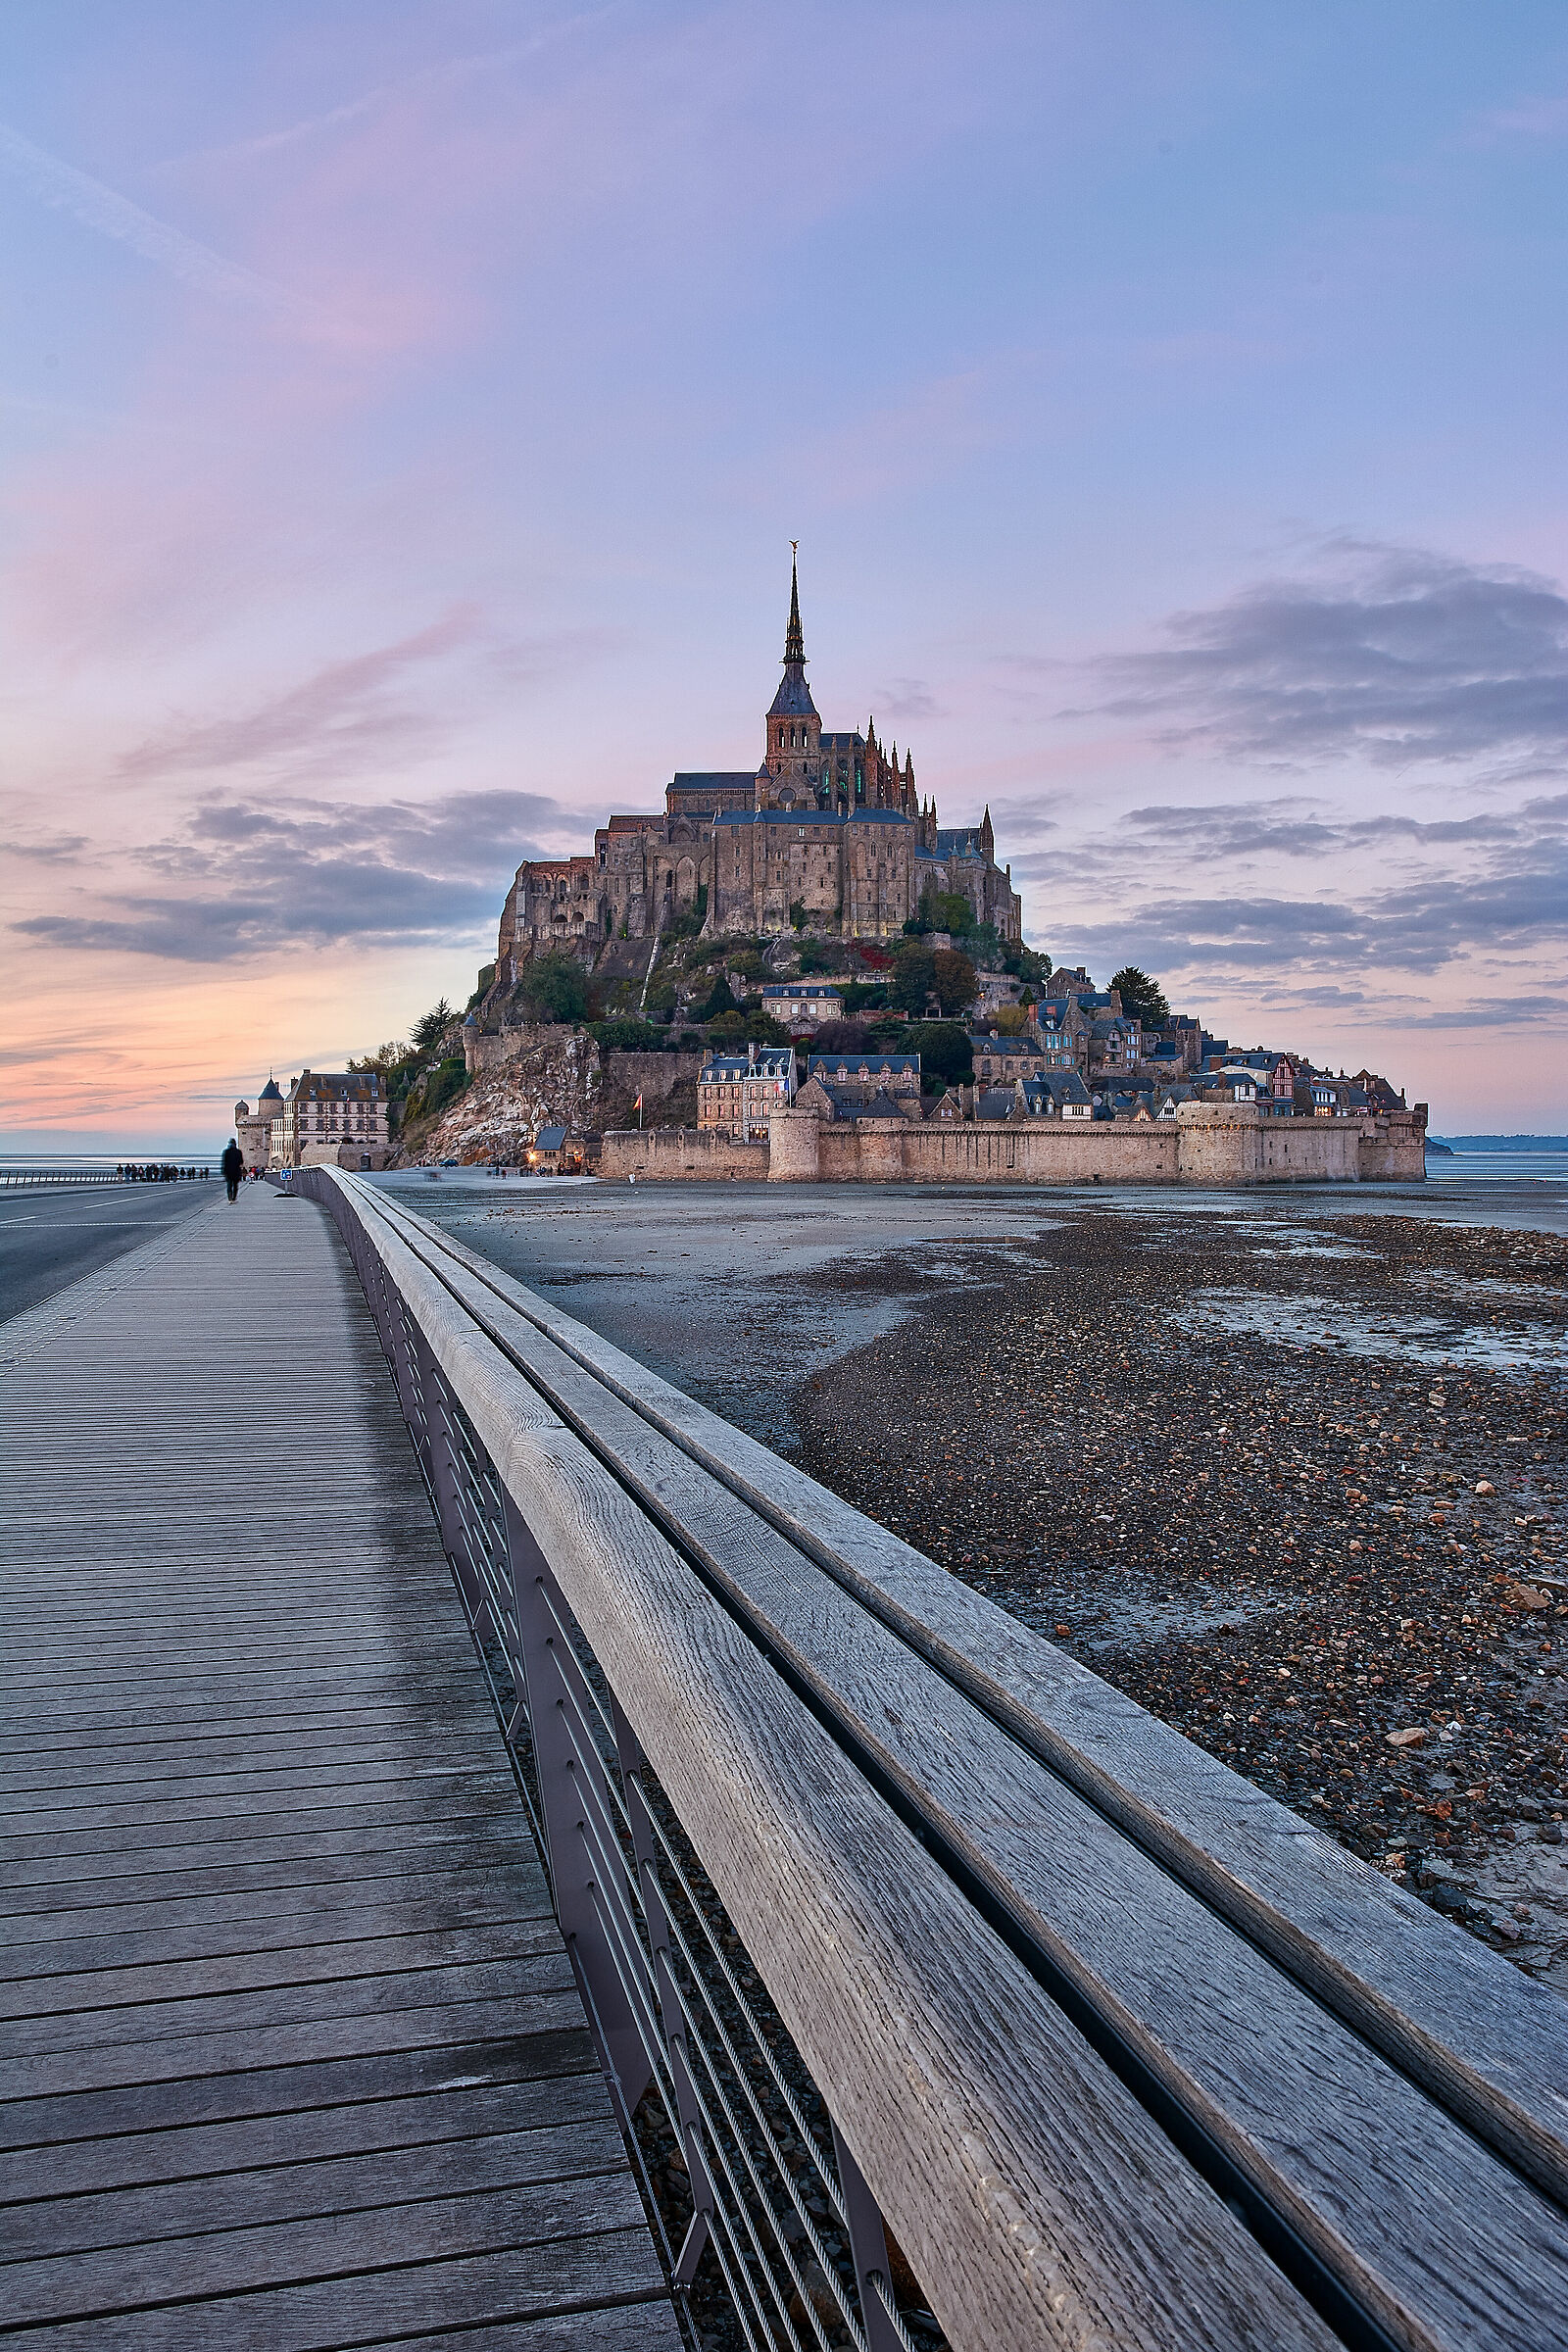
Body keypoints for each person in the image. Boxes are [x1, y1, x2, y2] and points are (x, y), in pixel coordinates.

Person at [220, 1139, 244, 1203]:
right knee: (235, 1185)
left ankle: (230, 1198)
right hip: (236, 1171)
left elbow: (224, 1162)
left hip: (228, 1171)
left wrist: (223, 1171)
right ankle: (234, 1198)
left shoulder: (226, 1152)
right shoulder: (238, 1152)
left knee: (229, 1185)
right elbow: (241, 1161)